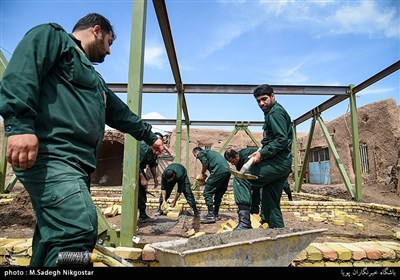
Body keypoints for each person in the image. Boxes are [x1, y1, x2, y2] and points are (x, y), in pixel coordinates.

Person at [0, 13, 164, 267]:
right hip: (53, 156)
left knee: (53, 237)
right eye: (109, 42)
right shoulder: (54, 38)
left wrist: (150, 136)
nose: (109, 51)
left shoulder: (95, 80)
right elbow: (22, 71)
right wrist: (20, 125)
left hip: (76, 166)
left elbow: (120, 114)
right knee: (77, 230)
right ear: (96, 30)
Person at [231, 84, 293, 230]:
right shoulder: (273, 112)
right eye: (258, 101)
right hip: (282, 164)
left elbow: (281, 140)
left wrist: (262, 153)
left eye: (264, 99)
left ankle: (245, 223)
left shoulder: (274, 113)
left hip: (278, 162)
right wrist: (261, 150)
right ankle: (278, 234)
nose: (261, 103)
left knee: (241, 179)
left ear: (273, 96)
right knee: (270, 205)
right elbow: (274, 139)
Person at [192, 147, 231, 223]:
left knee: (207, 193)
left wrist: (202, 173)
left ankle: (210, 215)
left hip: (218, 171)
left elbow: (205, 162)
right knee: (218, 193)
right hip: (227, 171)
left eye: (195, 156)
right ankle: (215, 214)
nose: (197, 158)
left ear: (196, 153)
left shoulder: (201, 153)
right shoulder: (210, 153)